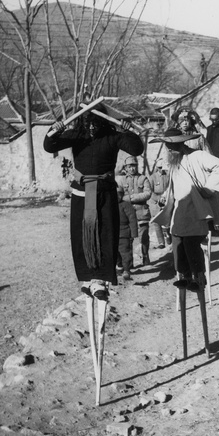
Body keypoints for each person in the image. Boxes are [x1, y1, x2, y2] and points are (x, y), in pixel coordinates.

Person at [43, 104, 144, 300]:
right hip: (81, 193)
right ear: (82, 122)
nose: (91, 128)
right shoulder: (76, 136)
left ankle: (100, 280)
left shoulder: (112, 136)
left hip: (105, 193)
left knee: (105, 234)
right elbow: (49, 146)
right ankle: (87, 278)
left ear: (103, 122)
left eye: (95, 123)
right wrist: (55, 129)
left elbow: (136, 148)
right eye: (88, 123)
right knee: (81, 236)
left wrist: (127, 130)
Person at [150, 127, 219, 291]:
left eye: (174, 145)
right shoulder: (173, 162)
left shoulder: (197, 155)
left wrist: (210, 188)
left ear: (182, 143)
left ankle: (199, 277)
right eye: (168, 146)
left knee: (191, 242)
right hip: (180, 210)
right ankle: (184, 276)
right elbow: (176, 185)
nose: (170, 149)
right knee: (177, 242)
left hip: (197, 209)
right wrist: (166, 196)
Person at [116, 156, 152, 266]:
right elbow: (119, 195)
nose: (132, 169)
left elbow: (147, 193)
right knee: (128, 238)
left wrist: (131, 198)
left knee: (144, 236)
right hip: (127, 214)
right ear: (125, 168)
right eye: (129, 167)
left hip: (142, 213)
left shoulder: (143, 178)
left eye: (134, 166)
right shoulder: (121, 180)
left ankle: (145, 257)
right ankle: (129, 262)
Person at [116, 186, 138, 281]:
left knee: (125, 253)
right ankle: (119, 268)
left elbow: (132, 219)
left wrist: (133, 234)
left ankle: (126, 270)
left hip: (124, 234)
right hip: (113, 234)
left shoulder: (126, 205)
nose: (117, 196)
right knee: (115, 253)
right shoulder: (110, 205)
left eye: (119, 194)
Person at [149, 158, 171, 249]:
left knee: (167, 221)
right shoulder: (152, 177)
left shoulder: (167, 176)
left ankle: (169, 238)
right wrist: (158, 199)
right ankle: (161, 242)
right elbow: (149, 191)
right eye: (160, 167)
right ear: (157, 168)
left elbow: (169, 187)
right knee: (156, 223)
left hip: (165, 200)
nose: (162, 169)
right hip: (155, 202)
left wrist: (166, 198)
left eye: (163, 167)